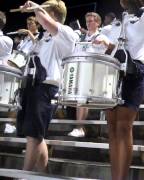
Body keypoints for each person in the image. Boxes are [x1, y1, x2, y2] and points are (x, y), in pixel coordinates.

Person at [17, 0, 77, 172]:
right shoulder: (43, 36)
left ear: (53, 14)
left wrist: (35, 7)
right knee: (36, 134)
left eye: (44, 11)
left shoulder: (66, 32)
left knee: (33, 135)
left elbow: (45, 22)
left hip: (46, 87)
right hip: (33, 85)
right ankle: (43, 174)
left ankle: (24, 175)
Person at [106, 0, 144, 179]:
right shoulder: (117, 22)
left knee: (123, 126)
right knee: (112, 126)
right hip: (113, 71)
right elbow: (114, 48)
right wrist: (106, 45)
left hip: (135, 70)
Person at [68, 12, 111, 138]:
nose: (89, 23)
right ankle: (79, 127)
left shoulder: (102, 36)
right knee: (79, 100)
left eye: (92, 21)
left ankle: (80, 127)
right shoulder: (81, 38)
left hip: (94, 72)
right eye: (87, 21)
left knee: (82, 99)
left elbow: (106, 51)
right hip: (80, 70)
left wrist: (103, 43)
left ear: (98, 22)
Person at [4, 16, 40, 134]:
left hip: (29, 71)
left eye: (31, 24)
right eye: (27, 24)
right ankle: (11, 122)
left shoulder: (39, 36)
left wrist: (29, 33)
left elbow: (37, 46)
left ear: (37, 25)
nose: (28, 26)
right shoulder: (25, 40)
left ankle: (12, 122)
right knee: (14, 95)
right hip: (18, 69)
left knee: (19, 97)